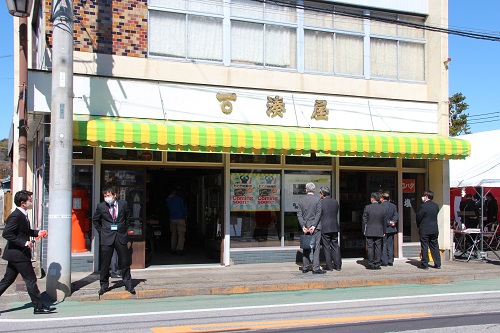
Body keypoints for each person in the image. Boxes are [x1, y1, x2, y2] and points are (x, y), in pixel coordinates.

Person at [0, 190, 55, 314]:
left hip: (16, 254)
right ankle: (39, 306)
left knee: (7, 280)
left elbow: (24, 231)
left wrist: (37, 233)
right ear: (23, 203)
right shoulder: (16, 216)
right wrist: (24, 243)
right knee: (30, 279)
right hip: (19, 254)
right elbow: (6, 233)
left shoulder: (22, 214)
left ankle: (39, 305)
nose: (32, 201)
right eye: (30, 200)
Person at [92, 186, 135, 295]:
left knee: (124, 261)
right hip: (107, 236)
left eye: (109, 195)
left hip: (120, 236)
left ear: (115, 195)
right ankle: (104, 285)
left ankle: (128, 284)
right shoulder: (101, 206)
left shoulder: (123, 204)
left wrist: (124, 229)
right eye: (105, 196)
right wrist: (101, 231)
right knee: (105, 262)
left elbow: (128, 218)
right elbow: (95, 220)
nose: (107, 198)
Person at [297, 182, 324, 274]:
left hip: (305, 226)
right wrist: (314, 225)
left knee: (306, 247)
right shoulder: (318, 199)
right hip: (316, 228)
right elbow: (318, 214)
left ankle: (305, 267)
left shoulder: (301, 200)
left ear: (306, 190)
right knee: (316, 248)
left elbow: (299, 214)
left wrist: (303, 226)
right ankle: (316, 268)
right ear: (315, 190)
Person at [416, 190, 441, 270]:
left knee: (424, 246)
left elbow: (419, 217)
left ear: (426, 196)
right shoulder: (436, 206)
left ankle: (425, 264)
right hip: (434, 229)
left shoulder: (423, 206)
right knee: (435, 246)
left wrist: (418, 225)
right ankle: (438, 263)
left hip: (425, 229)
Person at [319, 186, 341, 271]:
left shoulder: (321, 203)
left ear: (323, 194)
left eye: (320, 193)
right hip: (334, 226)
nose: (320, 195)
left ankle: (329, 266)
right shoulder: (335, 202)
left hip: (325, 227)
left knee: (326, 247)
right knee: (335, 246)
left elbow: (320, 214)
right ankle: (338, 265)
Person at [362, 192, 386, 270]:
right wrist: (384, 231)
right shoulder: (382, 208)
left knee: (370, 247)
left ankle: (371, 263)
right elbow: (384, 221)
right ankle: (377, 263)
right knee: (378, 247)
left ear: (372, 198)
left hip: (370, 230)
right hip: (379, 230)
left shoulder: (367, 207)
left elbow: (364, 220)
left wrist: (364, 230)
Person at [166, 187, 188, 256]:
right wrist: (186, 216)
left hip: (172, 218)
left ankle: (173, 249)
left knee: (173, 234)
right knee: (181, 235)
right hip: (181, 219)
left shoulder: (168, 200)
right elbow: (184, 208)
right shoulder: (180, 199)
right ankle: (180, 249)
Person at [380, 192, 398, 267]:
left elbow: (381, 218)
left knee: (383, 244)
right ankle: (390, 260)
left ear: (382, 198)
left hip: (383, 228)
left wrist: (388, 222)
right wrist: (393, 222)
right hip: (391, 228)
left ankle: (384, 261)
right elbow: (396, 215)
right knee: (390, 245)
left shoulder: (380, 206)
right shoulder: (393, 206)